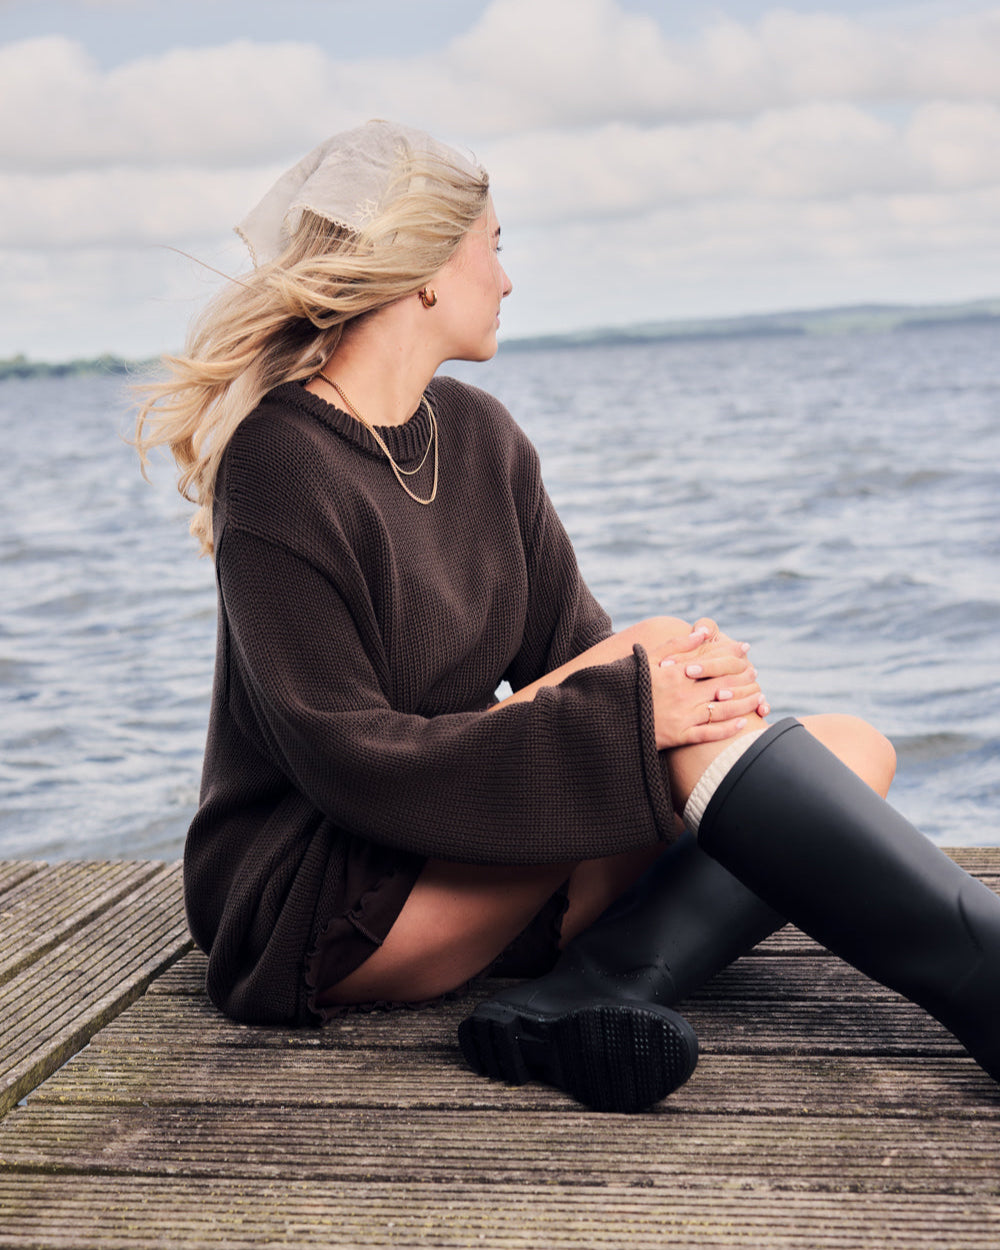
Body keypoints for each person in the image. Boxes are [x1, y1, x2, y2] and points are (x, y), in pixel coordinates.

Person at [135, 119, 999, 1115]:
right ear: (425, 270)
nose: (507, 280)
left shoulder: (479, 435)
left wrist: (688, 693)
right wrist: (651, 700)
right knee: (664, 662)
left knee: (851, 747)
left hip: (471, 845)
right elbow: (351, 761)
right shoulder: (279, 461)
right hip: (326, 896)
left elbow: (581, 656)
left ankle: (589, 992)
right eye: (493, 247)